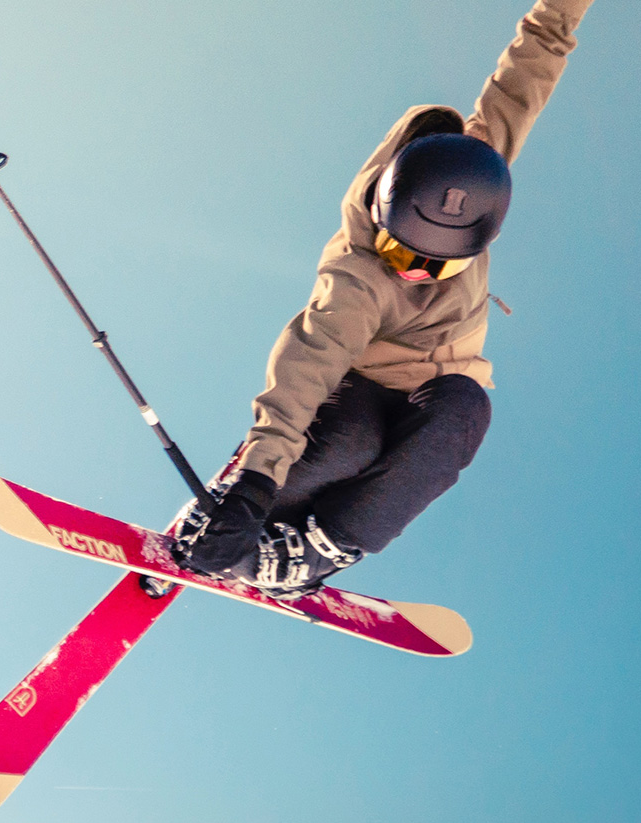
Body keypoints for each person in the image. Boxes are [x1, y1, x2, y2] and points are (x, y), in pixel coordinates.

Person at [178, 0, 594, 597]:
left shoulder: (478, 168)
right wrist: (252, 484)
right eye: (405, 257)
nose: (420, 274)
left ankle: (317, 551)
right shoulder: (359, 273)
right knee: (349, 444)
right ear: (383, 223)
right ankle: (246, 518)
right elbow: (307, 365)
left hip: (432, 395)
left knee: (465, 408)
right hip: (358, 391)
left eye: (443, 265)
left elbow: (530, 65)